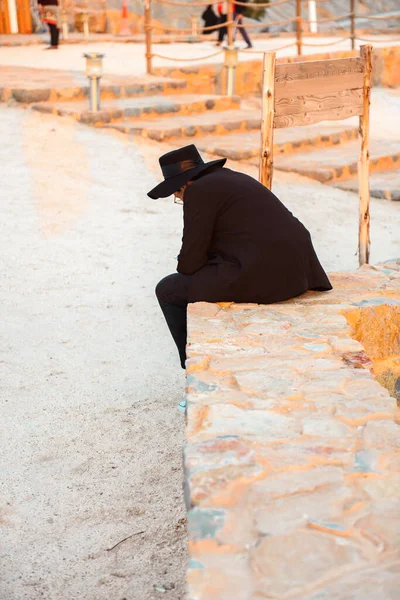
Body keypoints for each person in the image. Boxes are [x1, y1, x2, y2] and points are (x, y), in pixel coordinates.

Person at [149, 144, 332, 372]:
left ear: (184, 183)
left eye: (176, 193)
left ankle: (192, 371)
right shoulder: (230, 178)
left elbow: (189, 262)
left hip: (271, 277)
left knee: (168, 290)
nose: (179, 198)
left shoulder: (198, 191)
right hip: (301, 272)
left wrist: (188, 260)